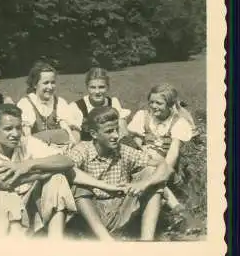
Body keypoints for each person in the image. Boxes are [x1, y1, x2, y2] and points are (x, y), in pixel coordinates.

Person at [0, 103, 124, 238]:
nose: (15, 134)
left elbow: (66, 161)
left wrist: (29, 165)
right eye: (8, 129)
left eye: (18, 128)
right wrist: (41, 173)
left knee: (57, 178)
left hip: (27, 208)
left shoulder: (28, 143)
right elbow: (0, 182)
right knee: (3, 193)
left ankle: (55, 245)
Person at [66, 106, 170, 241]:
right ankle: (107, 241)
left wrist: (144, 184)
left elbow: (162, 165)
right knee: (78, 186)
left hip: (121, 210)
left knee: (150, 173)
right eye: (109, 131)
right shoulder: (83, 149)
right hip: (92, 213)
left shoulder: (124, 150)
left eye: (117, 130)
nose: (115, 135)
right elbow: (66, 167)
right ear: (94, 134)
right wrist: (103, 186)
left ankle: (147, 240)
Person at [127, 83, 200, 230]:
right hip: (143, 159)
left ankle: (171, 209)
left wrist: (162, 168)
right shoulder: (143, 116)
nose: (154, 106)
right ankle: (178, 209)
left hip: (166, 163)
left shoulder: (178, 122)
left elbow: (172, 154)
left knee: (153, 169)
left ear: (170, 105)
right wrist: (143, 150)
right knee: (147, 166)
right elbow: (136, 140)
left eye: (159, 103)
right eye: (151, 102)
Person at [17, 61, 76, 148]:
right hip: (35, 148)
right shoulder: (26, 104)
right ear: (35, 84)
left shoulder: (60, 102)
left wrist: (71, 139)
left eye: (53, 82)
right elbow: (27, 137)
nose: (50, 87)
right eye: (46, 83)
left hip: (59, 147)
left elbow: (66, 128)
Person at [69, 67, 132, 144]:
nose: (97, 91)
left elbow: (123, 132)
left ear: (107, 87)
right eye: (93, 87)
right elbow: (75, 137)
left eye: (101, 87)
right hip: (87, 147)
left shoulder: (113, 103)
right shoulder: (77, 106)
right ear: (87, 88)